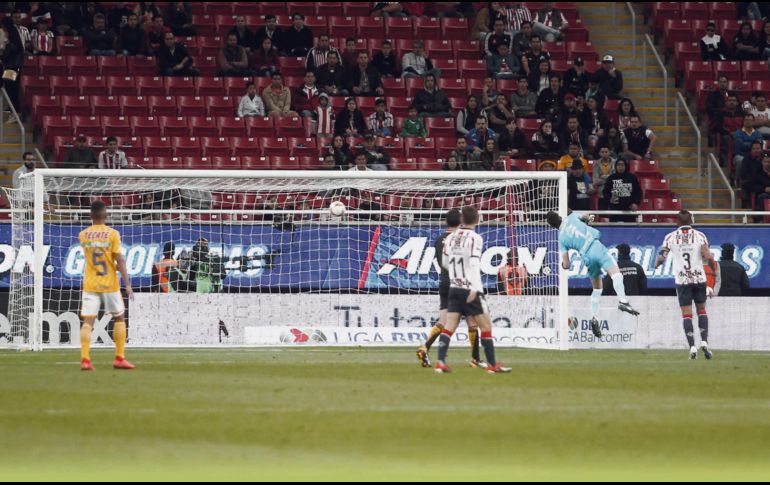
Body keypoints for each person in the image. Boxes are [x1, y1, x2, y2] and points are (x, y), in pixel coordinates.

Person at [436, 206, 512, 374]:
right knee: (486, 326)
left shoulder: (451, 237)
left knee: (450, 326)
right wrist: (476, 289)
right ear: (478, 220)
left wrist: (456, 275)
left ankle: (440, 362)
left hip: (454, 287)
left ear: (461, 220)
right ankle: (493, 365)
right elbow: (474, 263)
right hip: (470, 289)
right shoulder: (475, 238)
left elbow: (445, 262)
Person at [547, 210, 640, 339]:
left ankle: (595, 317)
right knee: (616, 275)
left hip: (586, 256)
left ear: (552, 226)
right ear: (560, 216)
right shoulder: (572, 217)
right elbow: (587, 216)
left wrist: (563, 266)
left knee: (597, 289)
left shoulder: (561, 240)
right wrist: (587, 219)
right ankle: (623, 301)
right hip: (596, 247)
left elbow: (566, 264)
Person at [416, 209, 486, 369]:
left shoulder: (440, 239)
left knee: (443, 320)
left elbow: (443, 262)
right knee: (472, 321)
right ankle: (475, 358)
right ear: (461, 221)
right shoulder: (460, 239)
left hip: (444, 281)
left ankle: (424, 347)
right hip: (460, 281)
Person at [78, 201, 135, 371]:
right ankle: (119, 357)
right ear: (106, 215)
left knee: (88, 322)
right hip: (110, 283)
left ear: (90, 215)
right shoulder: (113, 234)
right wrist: (127, 284)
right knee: (119, 318)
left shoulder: (83, 235)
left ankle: (85, 360)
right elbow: (120, 260)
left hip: (90, 283)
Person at [655, 210, 717, 360]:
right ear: (691, 221)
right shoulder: (699, 235)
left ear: (677, 222)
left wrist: (657, 264)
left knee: (687, 314)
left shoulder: (670, 237)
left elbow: (662, 257)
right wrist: (713, 268)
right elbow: (708, 256)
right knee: (701, 310)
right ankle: (704, 342)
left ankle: (692, 347)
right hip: (698, 278)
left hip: (682, 279)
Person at [602, 159, 642, 223]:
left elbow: (638, 192)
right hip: (615, 210)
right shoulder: (611, 178)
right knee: (614, 231)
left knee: (630, 230)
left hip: (629, 210)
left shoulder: (632, 177)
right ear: (615, 166)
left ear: (626, 166)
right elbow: (605, 192)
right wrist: (609, 199)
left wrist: (635, 203)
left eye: (622, 165)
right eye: (618, 165)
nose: (620, 166)